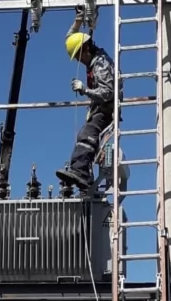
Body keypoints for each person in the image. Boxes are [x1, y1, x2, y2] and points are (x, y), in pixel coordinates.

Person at [55, 10, 122, 192]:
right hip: (98, 108)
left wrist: (85, 90)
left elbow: (108, 93)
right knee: (84, 135)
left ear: (85, 50)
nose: (78, 60)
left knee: (87, 134)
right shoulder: (89, 55)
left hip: (107, 109)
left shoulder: (101, 64)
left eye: (78, 56)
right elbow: (70, 38)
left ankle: (81, 172)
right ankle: (80, 173)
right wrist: (77, 22)